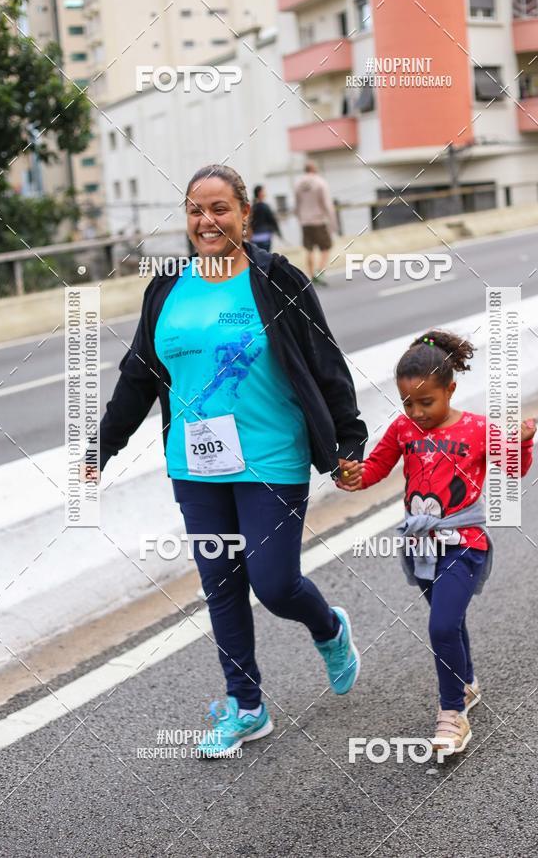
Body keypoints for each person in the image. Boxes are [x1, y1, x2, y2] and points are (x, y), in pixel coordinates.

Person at [82, 164, 367, 758]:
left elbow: (325, 361)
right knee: (221, 585)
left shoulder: (276, 279)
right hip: (196, 462)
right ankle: (246, 706)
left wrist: (348, 441)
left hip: (271, 455)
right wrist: (100, 448)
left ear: (244, 214)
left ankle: (329, 627)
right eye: (195, 210)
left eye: (219, 209)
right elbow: (138, 378)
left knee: (275, 584)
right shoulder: (166, 287)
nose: (206, 221)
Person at [336, 330, 537, 755]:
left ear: (451, 390)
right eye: (407, 403)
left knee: (442, 625)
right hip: (421, 546)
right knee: (451, 620)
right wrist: (352, 475)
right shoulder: (403, 429)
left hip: (465, 542)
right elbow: (375, 469)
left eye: (426, 402)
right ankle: (466, 683)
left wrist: (522, 441)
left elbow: (514, 469)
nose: (416, 412)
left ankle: (452, 714)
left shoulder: (477, 429)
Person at [294, 160, 337, 286]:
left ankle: (311, 274)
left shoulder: (298, 183)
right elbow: (327, 203)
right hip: (318, 220)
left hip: (305, 222)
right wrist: (333, 221)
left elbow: (296, 204)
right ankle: (320, 271)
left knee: (309, 249)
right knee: (326, 247)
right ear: (314, 169)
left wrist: (300, 218)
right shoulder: (320, 182)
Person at [248, 184, 282, 253]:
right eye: (263, 191)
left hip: (254, 238)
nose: (265, 193)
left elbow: (249, 222)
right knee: (266, 256)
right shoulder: (265, 207)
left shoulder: (252, 207)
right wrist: (279, 233)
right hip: (265, 237)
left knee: (257, 257)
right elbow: (273, 220)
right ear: (259, 193)